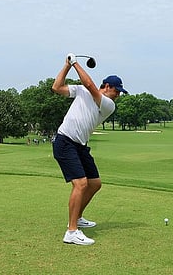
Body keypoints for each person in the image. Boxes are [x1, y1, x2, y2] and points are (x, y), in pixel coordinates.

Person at [51, 53, 128, 246]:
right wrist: (67, 65)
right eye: (117, 91)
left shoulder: (108, 105)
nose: (118, 95)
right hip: (65, 141)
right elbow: (56, 87)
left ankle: (77, 219)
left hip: (80, 145)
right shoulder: (82, 91)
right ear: (108, 86)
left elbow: (90, 86)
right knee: (81, 184)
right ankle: (71, 231)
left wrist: (75, 62)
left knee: (95, 184)